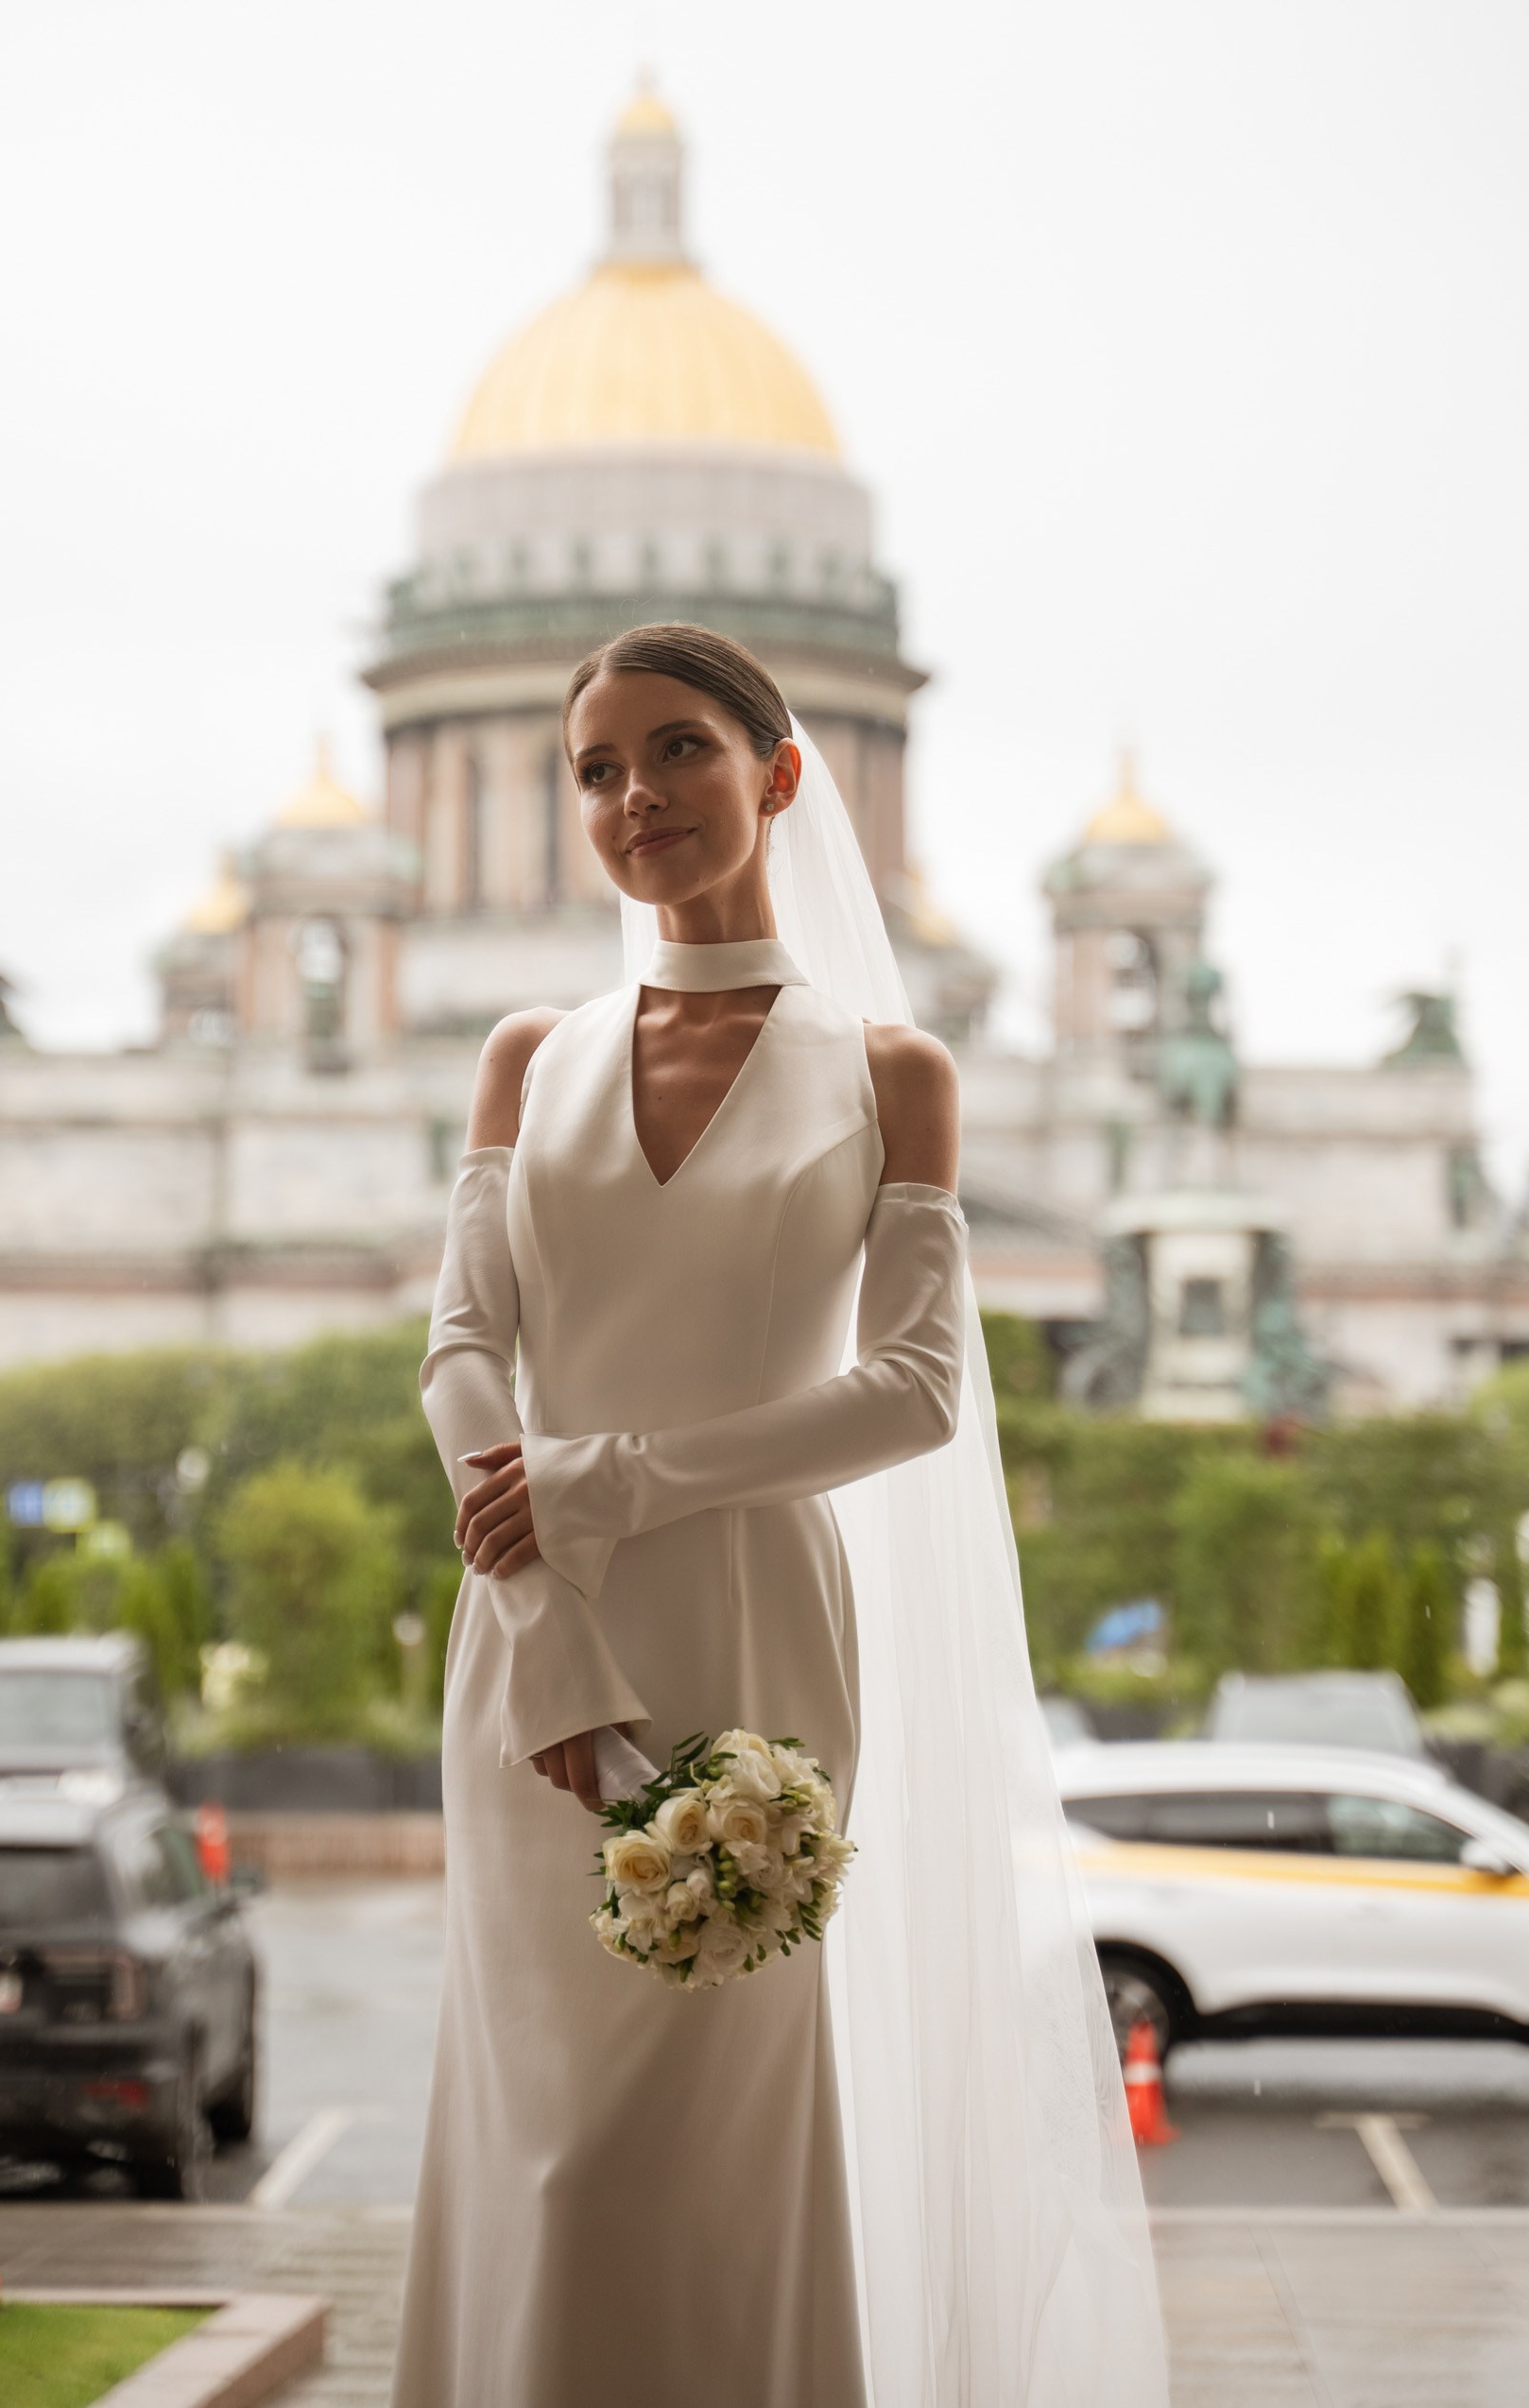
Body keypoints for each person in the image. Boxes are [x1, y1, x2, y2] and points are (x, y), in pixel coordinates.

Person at [392, 624, 1168, 2408]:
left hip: (750, 1630)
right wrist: (549, 1601)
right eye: (597, 769)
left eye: (676, 753)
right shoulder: (528, 1052)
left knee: (711, 2117)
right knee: (545, 2134)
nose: (635, 799)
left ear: (784, 774)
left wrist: (611, 1478)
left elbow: (915, 1388)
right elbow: (460, 1350)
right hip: (526, 1628)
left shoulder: (895, 1073)